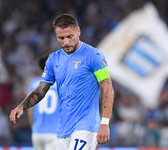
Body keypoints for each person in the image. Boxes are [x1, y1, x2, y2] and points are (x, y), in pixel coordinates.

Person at [9, 13, 114, 150]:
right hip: (62, 130)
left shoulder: (93, 55)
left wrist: (105, 123)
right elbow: (41, 89)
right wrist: (21, 106)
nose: (66, 42)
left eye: (70, 37)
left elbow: (107, 88)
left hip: (86, 127)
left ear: (78, 31)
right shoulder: (53, 59)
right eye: (61, 38)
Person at [27, 56, 59, 150]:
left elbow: (30, 108)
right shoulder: (60, 84)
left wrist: (33, 126)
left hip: (37, 132)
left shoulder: (34, 84)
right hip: (54, 132)